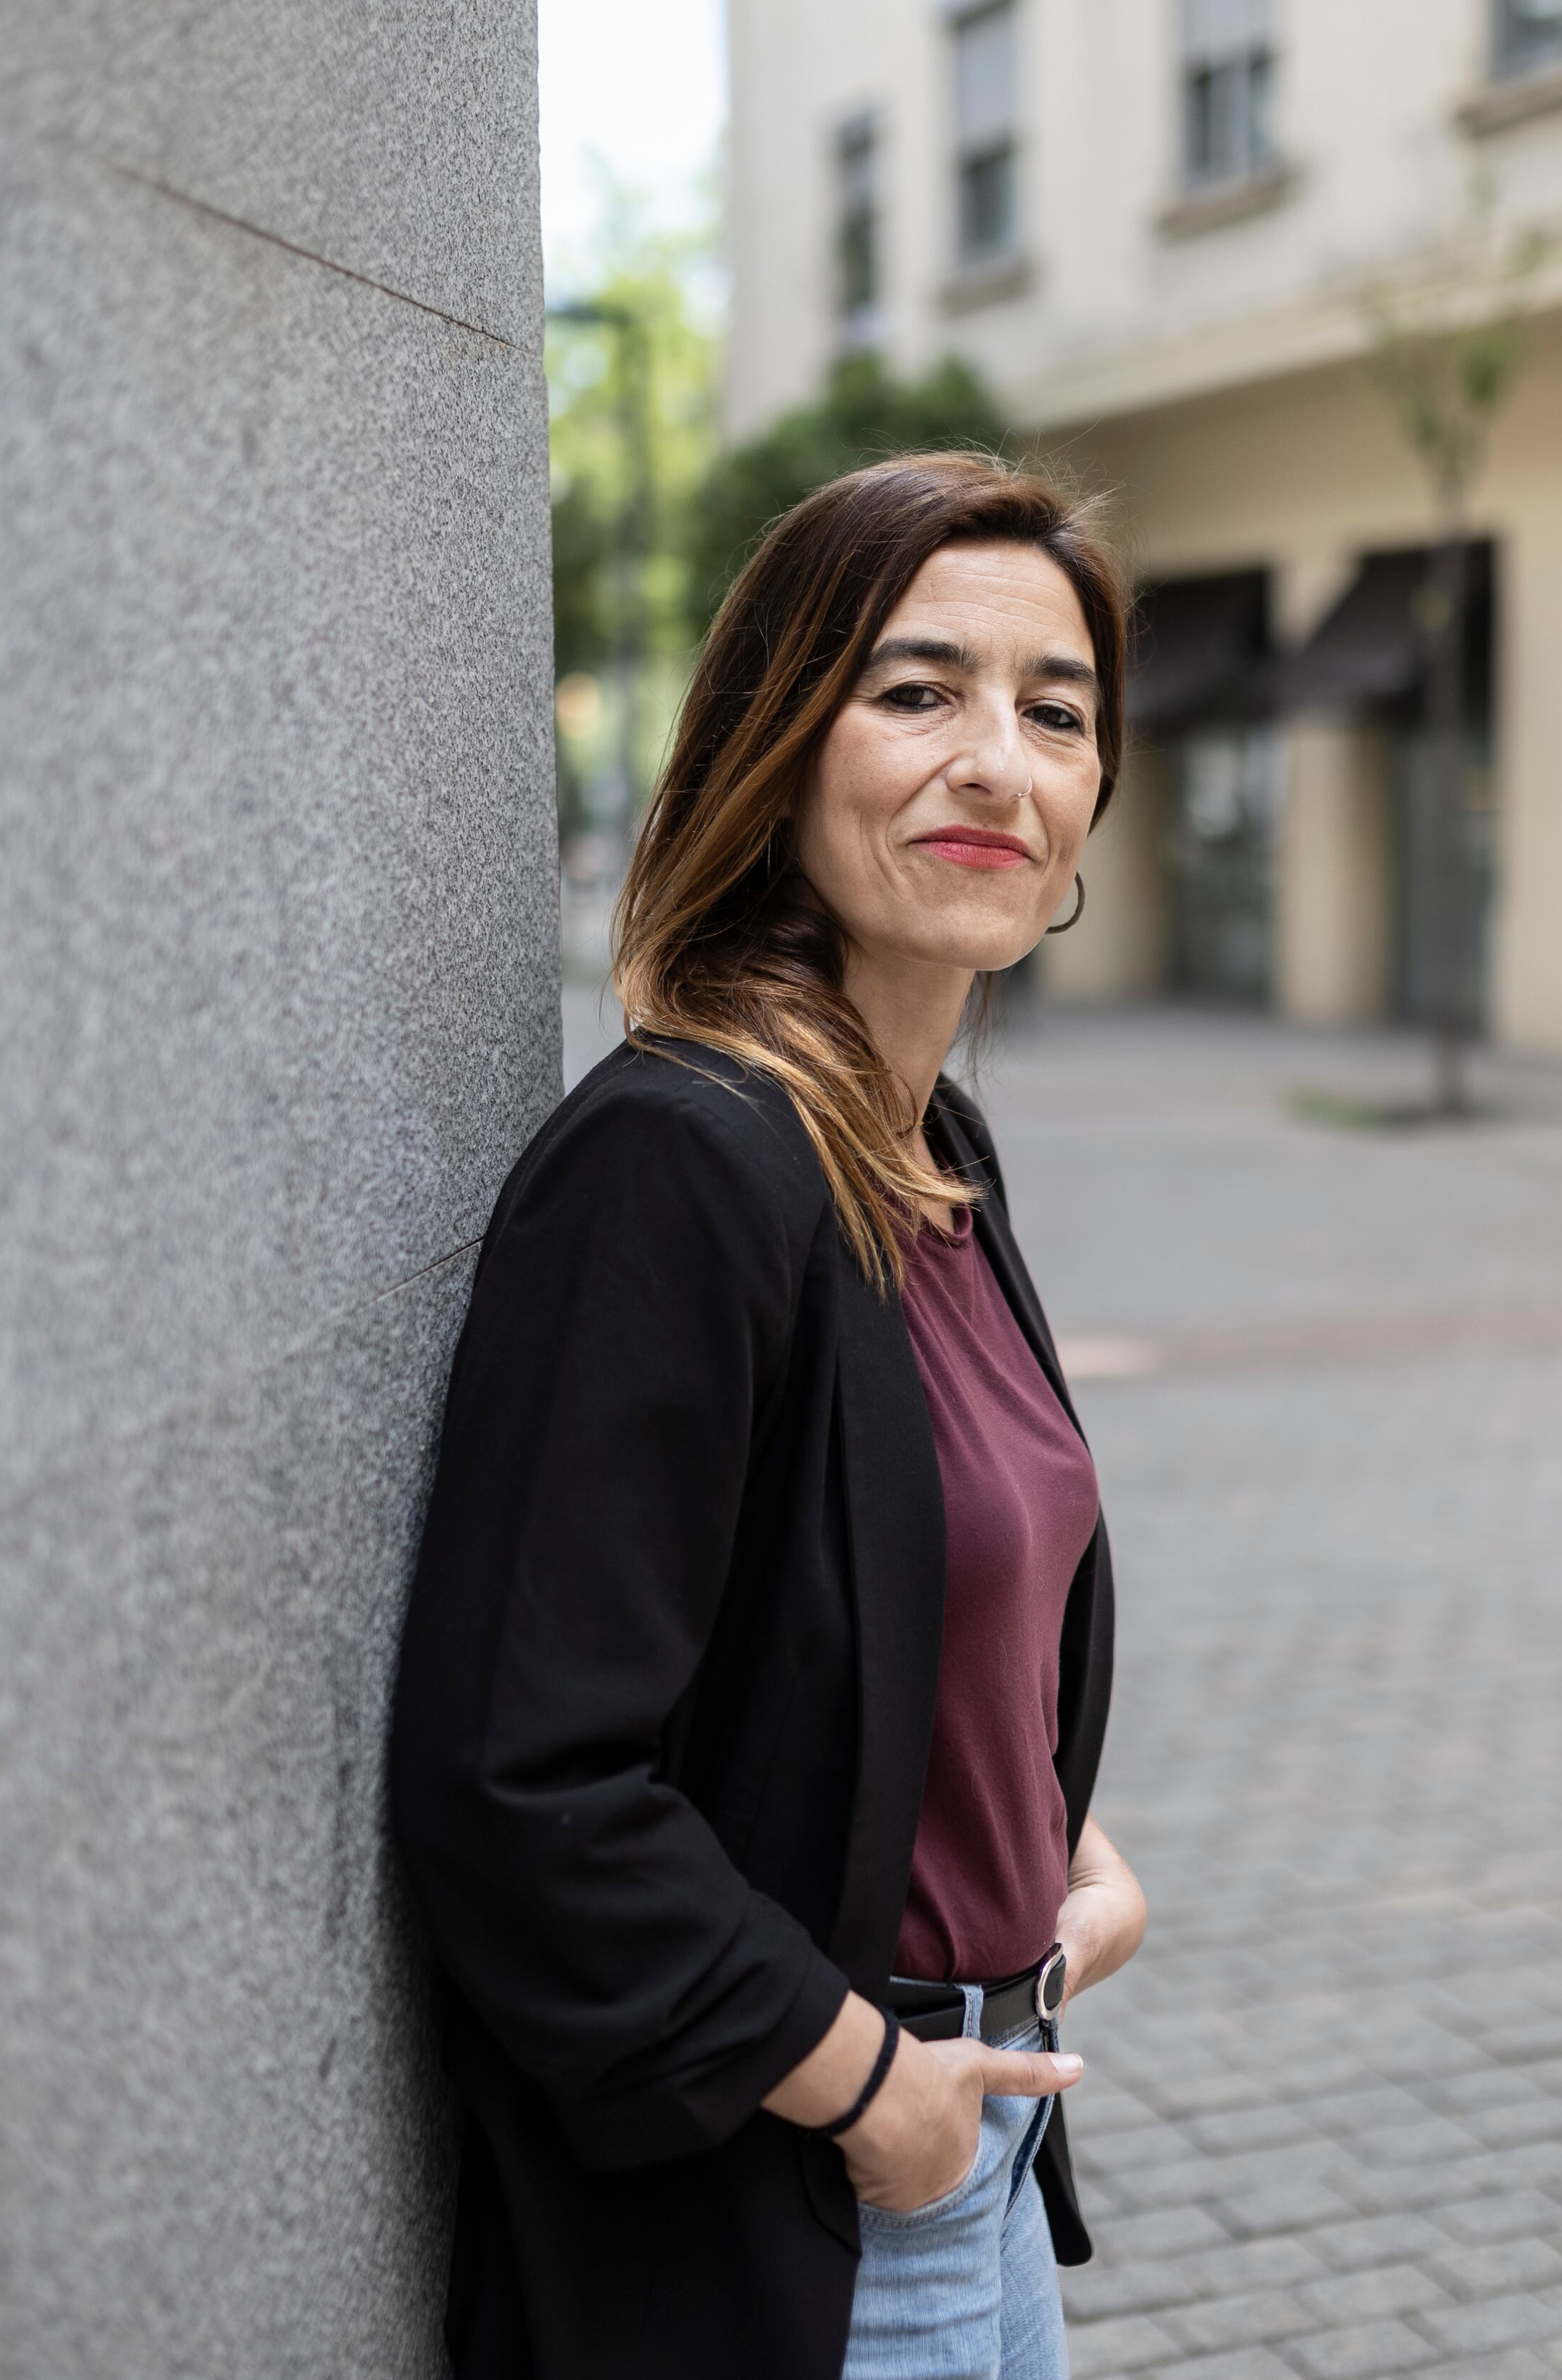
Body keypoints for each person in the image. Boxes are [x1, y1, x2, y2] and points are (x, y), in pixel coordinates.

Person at [391, 451, 1150, 2380]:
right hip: (802, 2197)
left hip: (980, 2135)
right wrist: (865, 2088)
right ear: (778, 744)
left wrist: (1053, 1841)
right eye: (918, 692)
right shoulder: (678, 1166)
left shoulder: (931, 1151)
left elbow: (886, 1619)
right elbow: (525, 1785)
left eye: (1055, 713)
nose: (998, 759)